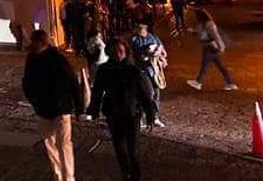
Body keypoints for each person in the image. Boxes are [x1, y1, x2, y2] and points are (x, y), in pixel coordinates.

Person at [88, 39, 155, 181]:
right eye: (114, 51)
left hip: (132, 114)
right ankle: (126, 173)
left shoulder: (133, 71)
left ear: (126, 52)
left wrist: (150, 116)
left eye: (120, 51)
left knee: (133, 149)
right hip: (114, 114)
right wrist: (94, 110)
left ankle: (136, 176)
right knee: (120, 148)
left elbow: (145, 95)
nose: (117, 54)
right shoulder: (104, 70)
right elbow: (97, 92)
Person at [21, 29, 82, 181]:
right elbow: (27, 82)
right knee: (51, 145)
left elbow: (72, 81)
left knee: (63, 145)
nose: (31, 45)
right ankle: (58, 176)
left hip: (60, 109)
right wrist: (33, 100)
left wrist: (78, 105)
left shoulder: (57, 59)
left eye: (33, 41)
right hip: (43, 109)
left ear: (40, 42)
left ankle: (68, 177)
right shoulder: (32, 59)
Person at [186, 9, 237, 90]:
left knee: (205, 65)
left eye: (196, 16)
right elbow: (202, 34)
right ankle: (230, 83)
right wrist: (194, 32)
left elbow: (215, 35)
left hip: (211, 47)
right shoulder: (202, 24)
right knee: (220, 66)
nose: (195, 17)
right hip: (209, 47)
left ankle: (198, 82)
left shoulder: (209, 24)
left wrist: (221, 46)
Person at [129, 22, 167, 126]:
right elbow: (135, 56)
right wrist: (146, 54)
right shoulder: (135, 40)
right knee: (148, 93)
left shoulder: (152, 37)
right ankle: (140, 118)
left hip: (153, 70)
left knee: (156, 94)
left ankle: (155, 117)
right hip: (142, 71)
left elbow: (161, 48)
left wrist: (159, 52)